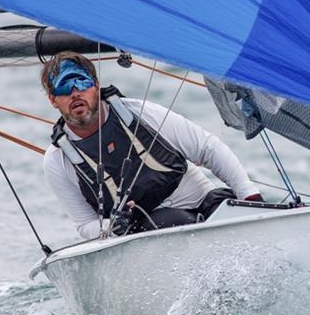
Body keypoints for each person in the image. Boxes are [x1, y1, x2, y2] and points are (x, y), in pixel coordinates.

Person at [41, 51, 262, 239]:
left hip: (201, 203)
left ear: (96, 87)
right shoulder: (57, 160)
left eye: (82, 82)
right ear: (52, 99)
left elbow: (208, 148)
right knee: (170, 220)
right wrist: (111, 228)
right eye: (64, 87)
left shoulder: (139, 113)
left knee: (229, 205)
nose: (75, 92)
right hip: (152, 235)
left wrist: (250, 196)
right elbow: (84, 224)